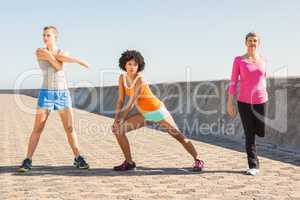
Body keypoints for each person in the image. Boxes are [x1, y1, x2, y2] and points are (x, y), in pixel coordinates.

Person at [111, 50, 204, 171]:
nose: (132, 67)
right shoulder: (122, 78)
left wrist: (121, 119)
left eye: (135, 64)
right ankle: (129, 162)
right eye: (129, 64)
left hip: (157, 112)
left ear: (139, 66)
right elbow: (120, 100)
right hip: (143, 114)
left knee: (179, 136)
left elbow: (132, 102)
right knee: (118, 131)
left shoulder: (140, 79)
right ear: (124, 65)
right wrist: (116, 120)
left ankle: (198, 160)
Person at [18, 26, 90, 172]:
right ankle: (28, 159)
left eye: (48, 35)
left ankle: (78, 157)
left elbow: (61, 60)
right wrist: (77, 61)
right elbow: (58, 66)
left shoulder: (63, 52)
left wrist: (68, 59)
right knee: (38, 128)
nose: (45, 38)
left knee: (69, 128)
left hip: (63, 94)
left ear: (55, 37)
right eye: (44, 35)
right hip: (46, 94)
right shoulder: (40, 51)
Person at [227, 32, 268, 176]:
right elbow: (233, 81)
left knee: (261, 131)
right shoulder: (239, 60)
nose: (252, 43)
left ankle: (254, 156)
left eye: (255, 41)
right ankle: (253, 164)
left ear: (258, 43)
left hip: (261, 100)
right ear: (246, 42)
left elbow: (263, 78)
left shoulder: (263, 60)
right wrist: (230, 101)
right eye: (250, 40)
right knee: (249, 133)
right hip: (244, 101)